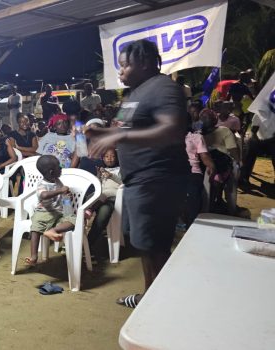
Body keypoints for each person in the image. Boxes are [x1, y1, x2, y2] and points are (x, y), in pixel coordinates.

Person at [87, 39, 190, 308]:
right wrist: (104, 134)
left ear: (144, 63)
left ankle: (161, 304)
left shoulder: (164, 88)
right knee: (144, 243)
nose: (120, 72)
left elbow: (171, 130)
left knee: (155, 245)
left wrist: (119, 134)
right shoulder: (135, 93)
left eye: (124, 66)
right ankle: (150, 297)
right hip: (138, 179)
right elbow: (126, 130)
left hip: (158, 178)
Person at [24, 155, 75, 267]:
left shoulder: (57, 181)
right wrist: (60, 190)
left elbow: (61, 194)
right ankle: (34, 256)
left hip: (59, 212)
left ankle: (53, 230)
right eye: (59, 166)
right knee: (35, 227)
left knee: (73, 220)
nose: (61, 168)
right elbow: (44, 195)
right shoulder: (42, 184)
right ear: (52, 172)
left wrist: (66, 194)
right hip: (44, 211)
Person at [200, 109, 240, 215]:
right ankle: (226, 207)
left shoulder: (197, 134)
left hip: (206, 167)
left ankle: (214, 204)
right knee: (229, 185)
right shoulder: (224, 131)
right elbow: (233, 150)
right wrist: (238, 162)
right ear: (215, 119)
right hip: (220, 167)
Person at [86, 148, 121, 249]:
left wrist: (111, 176)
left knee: (104, 208)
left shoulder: (120, 169)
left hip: (115, 197)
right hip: (102, 197)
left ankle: (88, 243)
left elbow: (123, 183)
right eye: (107, 156)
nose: (109, 159)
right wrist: (97, 175)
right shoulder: (102, 170)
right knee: (96, 197)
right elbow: (97, 186)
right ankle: (80, 239)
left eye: (112, 156)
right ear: (103, 158)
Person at [185, 114, 215, 225]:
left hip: (192, 171)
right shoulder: (168, 137)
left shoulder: (196, 137)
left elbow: (204, 156)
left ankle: (191, 225)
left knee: (193, 194)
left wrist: (211, 166)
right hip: (172, 172)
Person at [241, 111, 275, 185]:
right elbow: (253, 131)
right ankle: (245, 177)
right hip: (259, 140)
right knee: (250, 149)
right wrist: (256, 141)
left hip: (273, 141)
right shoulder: (258, 114)